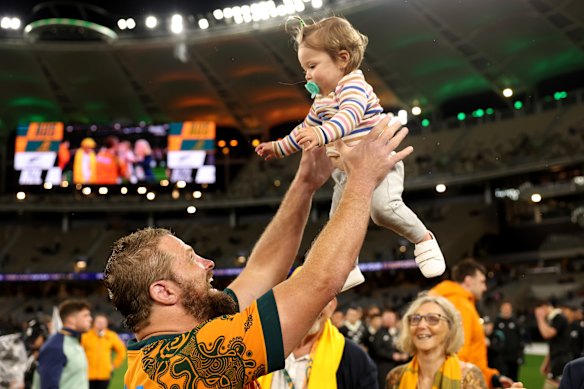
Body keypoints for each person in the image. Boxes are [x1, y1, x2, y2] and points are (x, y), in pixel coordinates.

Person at [104, 116, 413, 388]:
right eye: (191, 259)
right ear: (164, 292)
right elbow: (319, 281)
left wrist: (305, 183)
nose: (208, 263)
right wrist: (361, 177)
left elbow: (262, 271)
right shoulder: (189, 361)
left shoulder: (172, 350)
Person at [255, 16, 444, 291]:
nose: (306, 75)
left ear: (342, 59)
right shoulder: (322, 99)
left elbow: (349, 117)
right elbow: (304, 128)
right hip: (346, 172)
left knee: (383, 210)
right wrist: (279, 146)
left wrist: (321, 134)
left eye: (311, 66)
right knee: (338, 222)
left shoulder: (354, 86)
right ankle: (349, 267)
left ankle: (424, 240)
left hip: (379, 167)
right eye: (304, 68)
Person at [256, 292, 378, 388]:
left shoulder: (355, 359)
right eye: (302, 297)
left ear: (332, 305)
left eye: (320, 297)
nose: (311, 308)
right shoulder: (259, 348)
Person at [430, 258, 513, 388]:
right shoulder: (460, 304)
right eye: (482, 282)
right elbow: (458, 353)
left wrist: (491, 377)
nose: (485, 287)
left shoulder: (457, 301)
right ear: (468, 280)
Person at [386, 293, 488, 389]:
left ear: (450, 328)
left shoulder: (469, 376)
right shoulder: (395, 377)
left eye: (433, 319)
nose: (421, 325)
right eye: (416, 319)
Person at [32, 299, 93, 389]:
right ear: (71, 319)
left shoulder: (74, 341)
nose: (90, 319)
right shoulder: (55, 347)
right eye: (85, 315)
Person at [81, 313, 127, 389]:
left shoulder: (111, 336)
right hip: (88, 375)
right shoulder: (85, 336)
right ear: (94, 323)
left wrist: (114, 365)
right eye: (99, 322)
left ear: (106, 324)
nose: (101, 324)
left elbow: (121, 351)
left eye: (103, 322)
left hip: (104, 374)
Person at [535, 299, 573, 389]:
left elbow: (547, 334)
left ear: (544, 307)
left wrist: (539, 318)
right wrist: (546, 363)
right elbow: (554, 344)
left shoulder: (559, 318)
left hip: (562, 359)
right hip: (557, 359)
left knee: (551, 385)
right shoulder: (553, 319)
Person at [370, 308, 409, 389]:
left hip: (399, 366)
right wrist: (392, 355)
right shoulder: (379, 333)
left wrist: (406, 354)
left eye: (391, 318)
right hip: (384, 367)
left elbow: (406, 345)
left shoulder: (400, 332)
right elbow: (376, 350)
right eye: (386, 318)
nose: (389, 320)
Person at [494, 301, 525, 381]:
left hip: (513, 357)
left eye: (508, 308)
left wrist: (520, 355)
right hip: (500, 358)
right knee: (501, 380)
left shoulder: (516, 322)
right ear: (501, 309)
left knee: (513, 380)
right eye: (505, 308)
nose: (506, 310)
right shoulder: (496, 322)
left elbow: (521, 339)